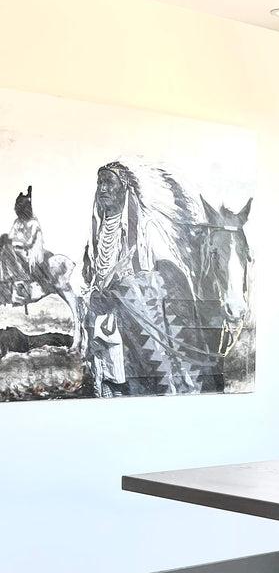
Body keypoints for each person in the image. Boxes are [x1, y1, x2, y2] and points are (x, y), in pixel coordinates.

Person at [82, 159, 213, 396]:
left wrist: (123, 290)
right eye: (99, 182)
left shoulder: (147, 227)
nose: (102, 189)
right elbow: (90, 278)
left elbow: (172, 277)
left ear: (125, 188)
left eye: (108, 182)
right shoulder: (97, 233)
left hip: (145, 330)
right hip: (109, 325)